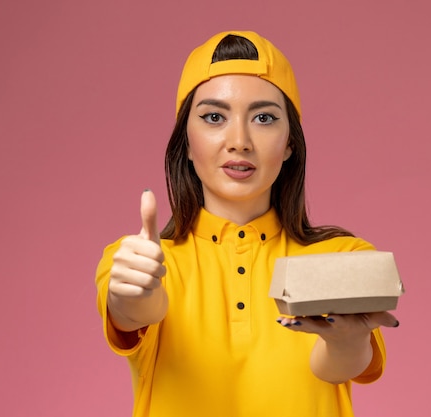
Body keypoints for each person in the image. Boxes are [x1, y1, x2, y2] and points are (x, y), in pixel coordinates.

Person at [95, 30, 399, 417]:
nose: (239, 140)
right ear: (186, 142)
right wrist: (132, 294)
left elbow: (335, 367)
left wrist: (346, 341)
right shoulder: (139, 261)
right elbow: (136, 310)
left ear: (290, 142)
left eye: (264, 118)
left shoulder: (343, 256)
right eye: (214, 117)